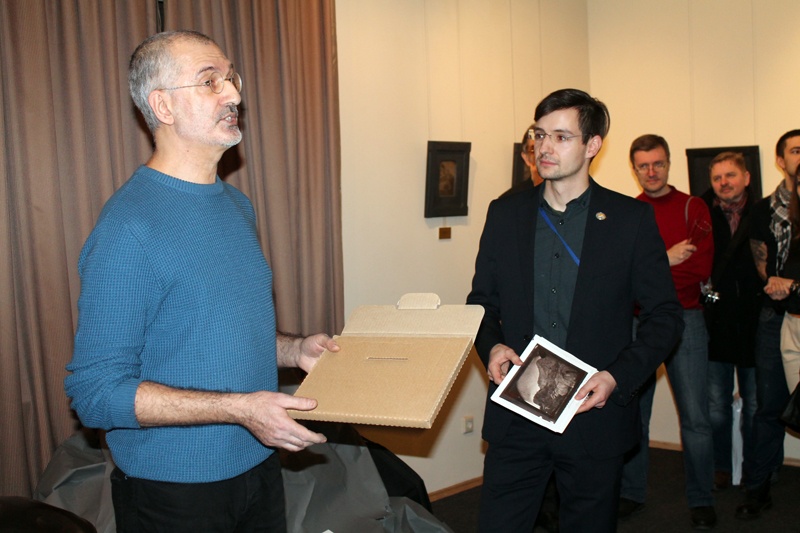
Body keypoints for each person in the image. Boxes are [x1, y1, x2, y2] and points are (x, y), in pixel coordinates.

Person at [64, 30, 339, 532]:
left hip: (259, 465)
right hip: (174, 492)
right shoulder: (129, 227)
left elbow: (216, 332)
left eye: (231, 78)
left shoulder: (237, 205)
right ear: (163, 106)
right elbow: (96, 392)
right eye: (210, 81)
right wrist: (240, 409)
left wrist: (294, 350)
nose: (233, 94)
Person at [466, 88, 683, 533]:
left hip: (592, 414)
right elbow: (481, 302)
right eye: (539, 134)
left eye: (561, 137)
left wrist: (617, 377)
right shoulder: (505, 213)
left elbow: (665, 317)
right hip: (518, 411)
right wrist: (492, 347)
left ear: (592, 145)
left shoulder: (630, 220)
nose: (545, 147)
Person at [620, 134, 717, 529]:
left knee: (695, 418)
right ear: (634, 169)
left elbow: (699, 268)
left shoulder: (694, 207)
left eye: (657, 163)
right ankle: (631, 493)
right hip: (638, 323)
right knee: (634, 415)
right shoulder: (629, 212)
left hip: (685, 319)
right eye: (643, 165)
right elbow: (621, 277)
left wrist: (649, 266)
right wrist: (667, 256)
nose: (651, 172)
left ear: (669, 164)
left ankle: (702, 499)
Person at [736, 129, 800, 520]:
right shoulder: (763, 210)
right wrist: (775, 283)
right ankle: (757, 488)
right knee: (767, 405)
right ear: (780, 160)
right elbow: (762, 261)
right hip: (775, 318)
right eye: (795, 150)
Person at [703, 152, 761, 492]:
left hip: (755, 324)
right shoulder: (701, 215)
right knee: (716, 407)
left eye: (731, 175)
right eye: (717, 178)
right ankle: (721, 468)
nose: (724, 182)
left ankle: (755, 469)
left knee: (755, 405)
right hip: (716, 324)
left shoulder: (764, 212)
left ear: (746, 178)